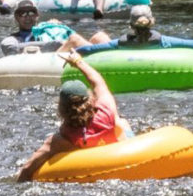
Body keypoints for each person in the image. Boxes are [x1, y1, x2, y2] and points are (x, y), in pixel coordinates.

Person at [16, 52, 133, 182]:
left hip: (91, 173)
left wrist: (18, 180)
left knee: (120, 122)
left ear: (61, 108)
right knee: (121, 122)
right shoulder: (106, 110)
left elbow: (28, 168)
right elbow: (98, 82)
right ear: (90, 99)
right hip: (125, 161)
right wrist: (77, 61)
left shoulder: (61, 139)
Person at [0, 0, 109, 56]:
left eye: (31, 13)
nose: (28, 17)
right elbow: (8, 47)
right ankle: (104, 59)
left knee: (100, 36)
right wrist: (58, 43)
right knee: (74, 40)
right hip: (44, 63)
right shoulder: (14, 38)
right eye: (22, 14)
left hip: (61, 54)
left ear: (37, 15)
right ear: (16, 18)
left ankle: (118, 57)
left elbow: (66, 37)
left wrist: (57, 28)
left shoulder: (49, 29)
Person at [75, 5, 193, 54]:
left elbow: (89, 49)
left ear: (131, 25)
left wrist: (76, 51)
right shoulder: (163, 42)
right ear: (152, 22)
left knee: (100, 37)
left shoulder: (120, 43)